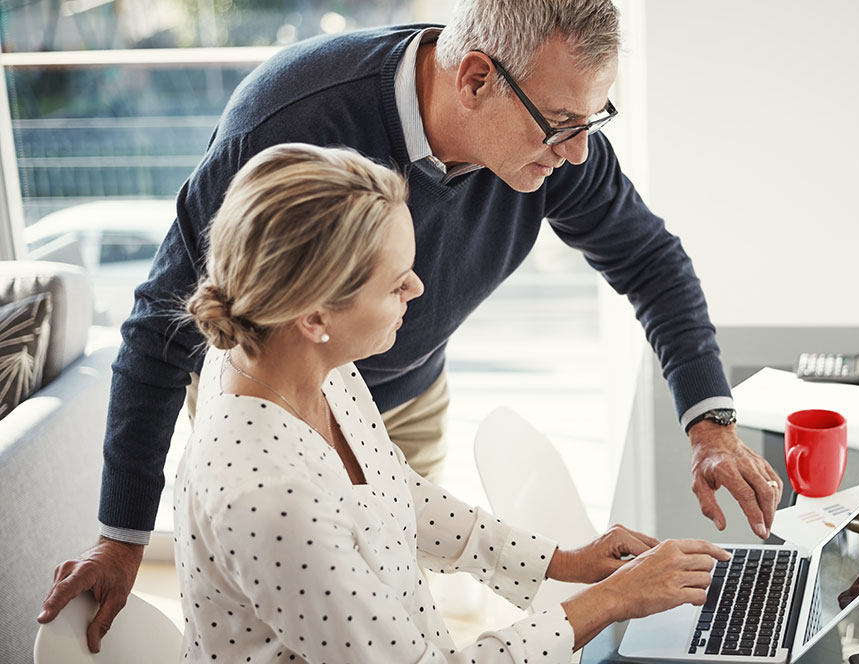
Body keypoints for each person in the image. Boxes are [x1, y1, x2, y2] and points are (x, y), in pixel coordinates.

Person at [39, 0, 782, 651]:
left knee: (389, 595)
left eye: (592, 121)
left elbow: (400, 510)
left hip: (369, 386)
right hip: (276, 386)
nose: (580, 152)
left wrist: (585, 545)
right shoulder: (289, 125)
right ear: (477, 78)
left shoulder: (347, 383)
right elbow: (160, 325)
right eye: (562, 126)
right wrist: (123, 533)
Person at [177, 142, 729, 662]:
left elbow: (394, 493)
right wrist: (612, 600)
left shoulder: (310, 365)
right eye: (395, 284)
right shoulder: (268, 497)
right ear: (315, 316)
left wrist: (566, 561)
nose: (418, 289)